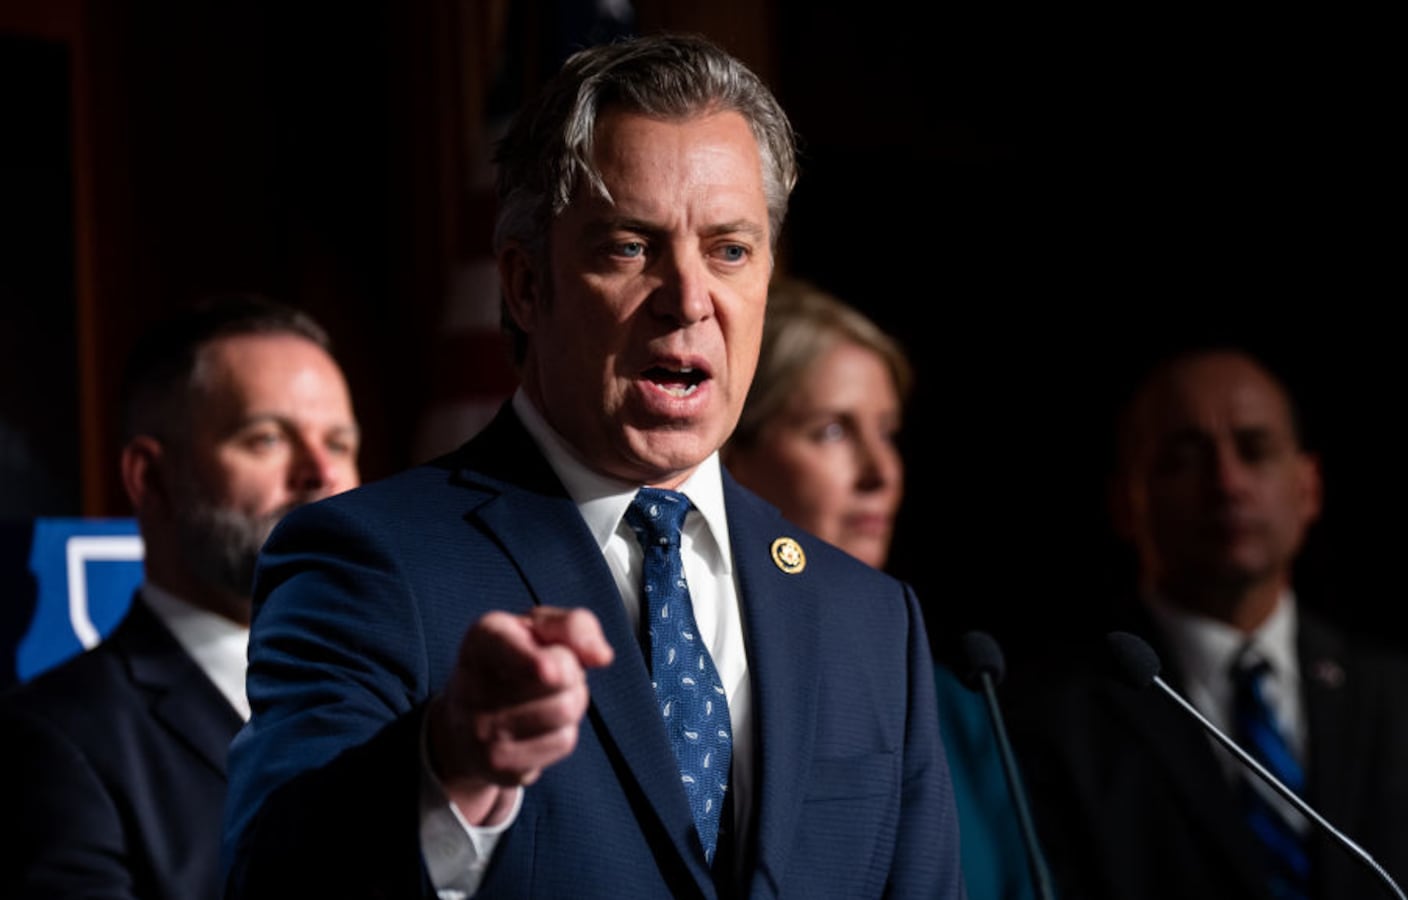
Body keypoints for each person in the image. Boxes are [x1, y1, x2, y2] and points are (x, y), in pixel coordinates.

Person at [221, 33, 962, 899]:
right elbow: (275, 879)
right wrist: (449, 766)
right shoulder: (369, 562)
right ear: (526, 285)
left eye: (729, 249)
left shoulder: (871, 620)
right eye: (628, 246)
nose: (689, 299)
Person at [1006, 346, 1408, 900]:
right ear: (1125, 502)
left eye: (1254, 450)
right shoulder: (1045, 722)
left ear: (1309, 487)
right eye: (1184, 457)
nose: (1227, 483)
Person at [0, 293, 361, 899]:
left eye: (341, 444)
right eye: (267, 438)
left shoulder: (416, 697)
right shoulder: (55, 745)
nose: (323, 474)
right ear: (153, 479)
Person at [723, 275, 1043, 899]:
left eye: (888, 432)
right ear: (734, 455)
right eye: (832, 431)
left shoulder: (961, 704)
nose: (881, 472)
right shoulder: (700, 683)